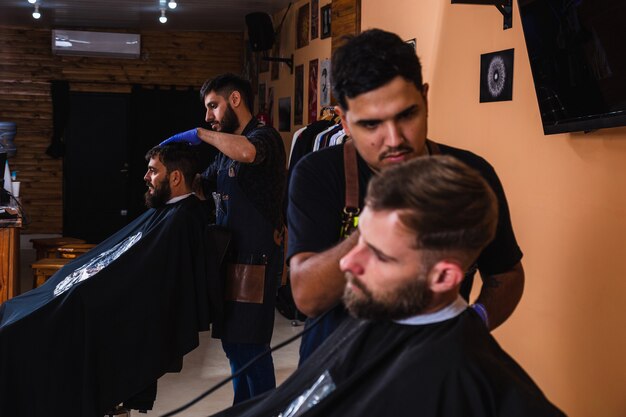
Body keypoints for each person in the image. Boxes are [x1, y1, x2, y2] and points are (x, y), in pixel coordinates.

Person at [210, 156, 564, 417]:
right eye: (358, 241)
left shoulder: (478, 389)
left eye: (379, 255)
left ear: (443, 278)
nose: (347, 264)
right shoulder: (372, 324)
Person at [288, 28, 525, 364]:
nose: (394, 139)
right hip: (337, 372)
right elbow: (307, 297)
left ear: (425, 99)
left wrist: (474, 324)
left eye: (407, 115)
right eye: (371, 125)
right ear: (343, 121)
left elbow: (506, 274)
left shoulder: (470, 175)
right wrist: (379, 229)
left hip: (433, 365)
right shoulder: (318, 174)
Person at [0, 143, 225, 417]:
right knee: (12, 312)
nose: (145, 178)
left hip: (95, 308)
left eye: (153, 171)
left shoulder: (182, 221)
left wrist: (85, 293)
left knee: (14, 334)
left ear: (176, 177)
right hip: (83, 295)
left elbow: (144, 284)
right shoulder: (170, 213)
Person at [162, 73, 287, 404]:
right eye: (206, 111)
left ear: (235, 100)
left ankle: (265, 411)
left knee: (250, 349)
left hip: (256, 265)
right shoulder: (223, 151)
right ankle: (242, 409)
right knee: (234, 347)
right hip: (229, 261)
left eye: (213, 106)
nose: (208, 117)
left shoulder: (265, 138)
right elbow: (204, 187)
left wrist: (201, 135)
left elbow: (247, 153)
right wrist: (167, 175)